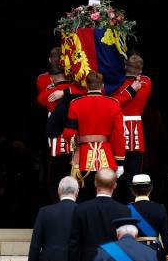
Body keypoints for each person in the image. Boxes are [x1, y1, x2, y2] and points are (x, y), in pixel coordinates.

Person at [63, 71, 126, 201]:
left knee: (85, 199)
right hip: (106, 158)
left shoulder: (76, 103)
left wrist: (76, 149)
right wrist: (120, 162)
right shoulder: (113, 103)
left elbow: (69, 133)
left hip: (83, 158)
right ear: (102, 86)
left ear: (86, 85)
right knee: (107, 197)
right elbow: (119, 135)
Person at [68, 168, 130, 261]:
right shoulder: (124, 210)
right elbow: (127, 244)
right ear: (115, 185)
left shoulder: (81, 209)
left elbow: (74, 245)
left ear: (95, 183)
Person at [37, 64, 85, 200]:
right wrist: (67, 91)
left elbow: (41, 99)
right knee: (74, 174)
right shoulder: (74, 89)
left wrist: (61, 92)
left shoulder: (49, 93)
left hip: (58, 142)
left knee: (56, 177)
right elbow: (84, 92)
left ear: (52, 79)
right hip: (75, 139)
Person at [110, 53, 152, 202]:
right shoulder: (146, 81)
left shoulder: (116, 83)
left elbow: (113, 102)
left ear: (125, 67)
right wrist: (132, 89)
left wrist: (129, 90)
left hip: (118, 133)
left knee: (114, 178)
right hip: (135, 135)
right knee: (133, 179)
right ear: (140, 70)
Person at [127, 174, 168, 261]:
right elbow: (166, 239)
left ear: (132, 190)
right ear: (150, 189)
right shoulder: (159, 208)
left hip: (134, 255)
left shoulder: (127, 209)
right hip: (155, 254)